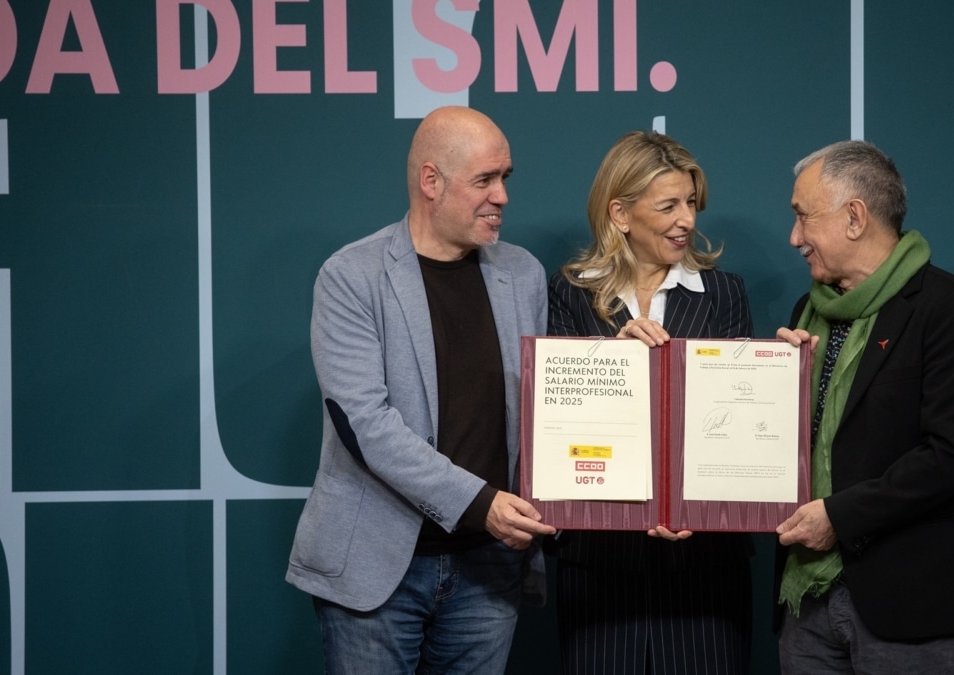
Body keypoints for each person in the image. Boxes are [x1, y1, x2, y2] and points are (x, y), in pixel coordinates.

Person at [285, 106, 556, 674]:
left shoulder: (524, 273)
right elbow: (365, 425)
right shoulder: (351, 275)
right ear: (431, 182)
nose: (502, 196)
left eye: (506, 178)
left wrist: (624, 351)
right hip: (376, 569)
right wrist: (482, 505)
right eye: (485, 180)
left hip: (488, 573)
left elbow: (555, 399)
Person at [772, 140, 954, 674]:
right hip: (805, 603)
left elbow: (951, 454)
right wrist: (776, 383)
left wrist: (838, 515)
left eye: (802, 218)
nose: (794, 238)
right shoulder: (806, 316)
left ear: (854, 217)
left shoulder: (946, 308)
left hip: (910, 604)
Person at [548, 131, 754, 674]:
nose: (686, 219)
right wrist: (607, 367)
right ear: (619, 213)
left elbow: (733, 432)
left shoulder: (725, 293)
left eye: (691, 203)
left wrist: (701, 514)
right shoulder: (567, 293)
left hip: (702, 569)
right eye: (668, 206)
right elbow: (557, 428)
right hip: (597, 571)